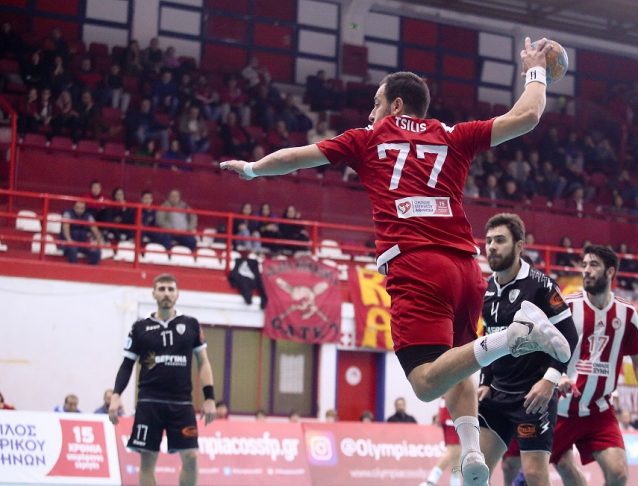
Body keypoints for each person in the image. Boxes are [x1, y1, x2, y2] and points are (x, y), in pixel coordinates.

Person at [221, 39, 571, 486]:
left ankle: (512, 336)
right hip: (467, 270)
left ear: (396, 105)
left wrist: (252, 169)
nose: (371, 113)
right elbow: (527, 117)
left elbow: (294, 158)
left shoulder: (367, 139)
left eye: (376, 103)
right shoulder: (452, 135)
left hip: (417, 266)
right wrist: (535, 70)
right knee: (460, 362)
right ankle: (471, 454)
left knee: (425, 382)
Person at [477, 213, 578, 486]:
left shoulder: (541, 286)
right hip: (497, 393)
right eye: (488, 241)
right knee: (476, 471)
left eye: (500, 240)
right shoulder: (485, 290)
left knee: (534, 475)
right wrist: (485, 380)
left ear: (519, 245)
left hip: (533, 397)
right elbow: (488, 338)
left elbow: (569, 336)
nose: (492, 247)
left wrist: (549, 381)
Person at [551, 245, 638, 486]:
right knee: (566, 468)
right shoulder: (567, 307)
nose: (586, 271)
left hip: (599, 411)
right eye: (584, 265)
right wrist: (559, 377)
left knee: (618, 474)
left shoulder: (627, 314)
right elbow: (545, 351)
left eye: (593, 265)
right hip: (560, 409)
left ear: (610, 272)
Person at [107, 273, 216, 486]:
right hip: (149, 402)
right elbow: (127, 364)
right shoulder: (140, 327)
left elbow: (203, 362)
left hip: (181, 403)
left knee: (191, 456)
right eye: (162, 289)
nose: (166, 293)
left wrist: (210, 397)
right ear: (154, 294)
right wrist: (116, 395)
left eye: (170, 289)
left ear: (177, 294)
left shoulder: (191, 325)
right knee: (147, 460)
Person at [420, 397, 463, 486]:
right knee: (452, 450)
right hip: (452, 415)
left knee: (457, 453)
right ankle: (430, 482)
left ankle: (455, 483)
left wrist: (440, 414)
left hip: (451, 413)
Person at [61, 200, 104, 264]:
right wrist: (69, 240)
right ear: (74, 207)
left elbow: (95, 230)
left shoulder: (88, 216)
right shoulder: (67, 214)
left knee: (96, 251)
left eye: (82, 208)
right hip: (70, 242)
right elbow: (66, 228)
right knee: (72, 250)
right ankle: (73, 268)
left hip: (83, 242)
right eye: (77, 207)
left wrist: (99, 241)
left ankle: (92, 268)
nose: (79, 210)